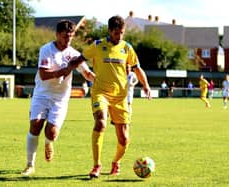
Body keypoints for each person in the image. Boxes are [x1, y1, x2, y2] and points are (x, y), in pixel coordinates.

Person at [72, 15, 151, 178]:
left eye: (121, 33)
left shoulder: (127, 48)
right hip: (100, 92)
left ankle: (116, 162)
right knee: (100, 123)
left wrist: (146, 85)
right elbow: (80, 59)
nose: (119, 36)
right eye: (116, 33)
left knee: (124, 140)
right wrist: (68, 70)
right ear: (109, 31)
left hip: (120, 98)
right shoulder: (98, 45)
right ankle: (96, 166)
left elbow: (137, 68)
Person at [21, 20, 95, 176]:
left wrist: (101, 81)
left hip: (60, 99)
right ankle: (30, 165)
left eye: (71, 37)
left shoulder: (74, 54)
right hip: (41, 95)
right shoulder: (46, 49)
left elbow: (87, 74)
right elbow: (43, 74)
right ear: (57, 34)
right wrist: (62, 71)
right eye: (64, 36)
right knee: (35, 125)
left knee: (52, 132)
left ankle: (49, 143)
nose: (67, 40)